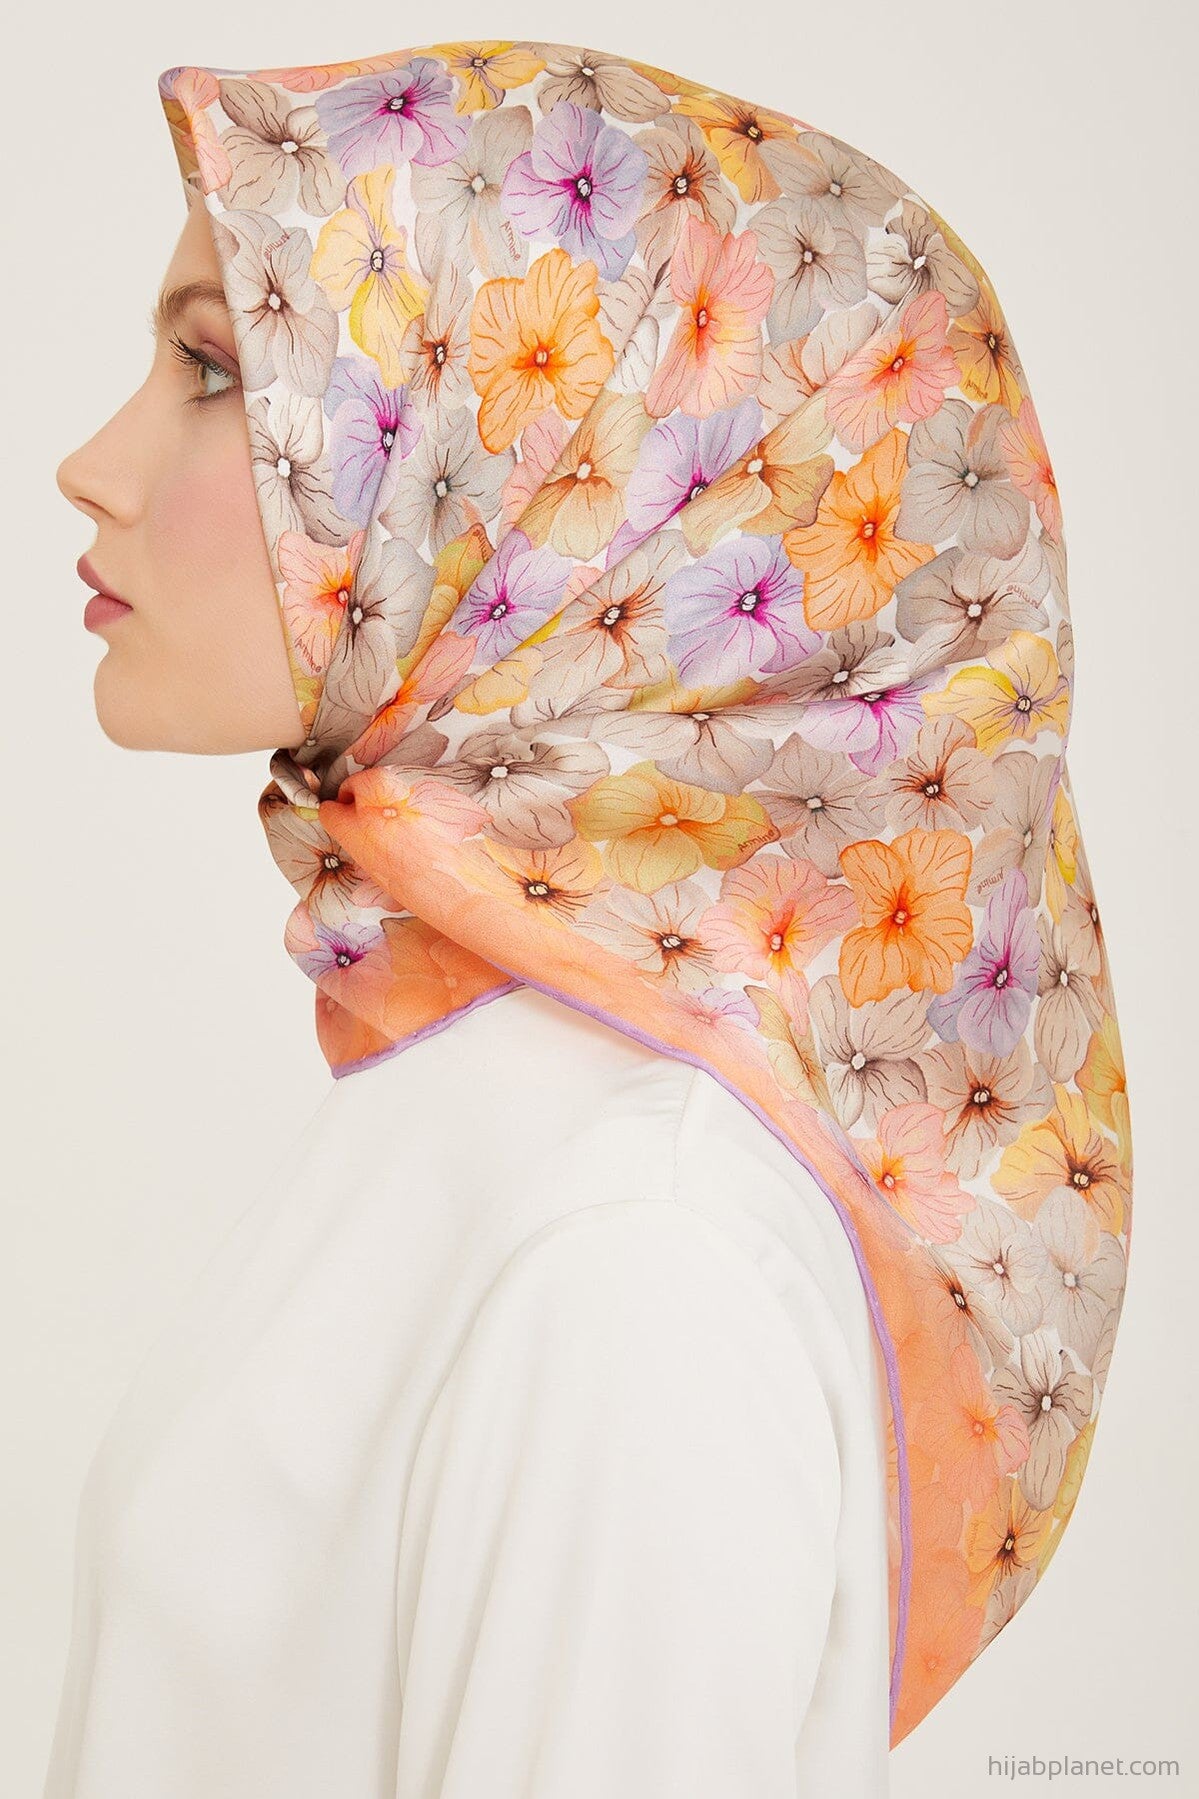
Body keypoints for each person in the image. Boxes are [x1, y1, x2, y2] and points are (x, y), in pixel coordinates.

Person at [46, 34, 1132, 1796]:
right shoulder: (493, 1125)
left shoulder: (637, 1256)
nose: (88, 466)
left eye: (213, 370)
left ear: (554, 494)